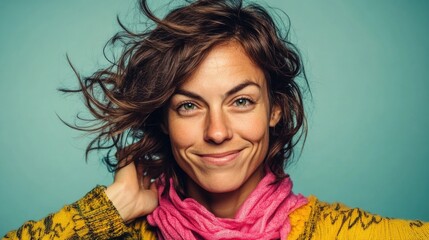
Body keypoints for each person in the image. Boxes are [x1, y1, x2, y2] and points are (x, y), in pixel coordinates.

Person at [3, 0, 428, 239]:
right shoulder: (122, 232)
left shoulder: (340, 234)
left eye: (241, 101)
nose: (217, 131)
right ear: (163, 120)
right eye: (188, 105)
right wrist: (111, 209)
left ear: (274, 108)